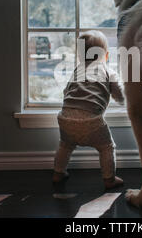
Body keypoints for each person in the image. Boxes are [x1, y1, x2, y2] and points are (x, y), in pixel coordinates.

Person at [52, 30, 125, 189]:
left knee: (65, 145)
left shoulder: (77, 71)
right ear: (105, 56)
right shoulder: (107, 70)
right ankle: (109, 179)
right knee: (106, 147)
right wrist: (122, 101)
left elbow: (66, 92)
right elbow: (119, 95)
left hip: (65, 119)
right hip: (92, 122)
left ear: (80, 56)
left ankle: (58, 173)